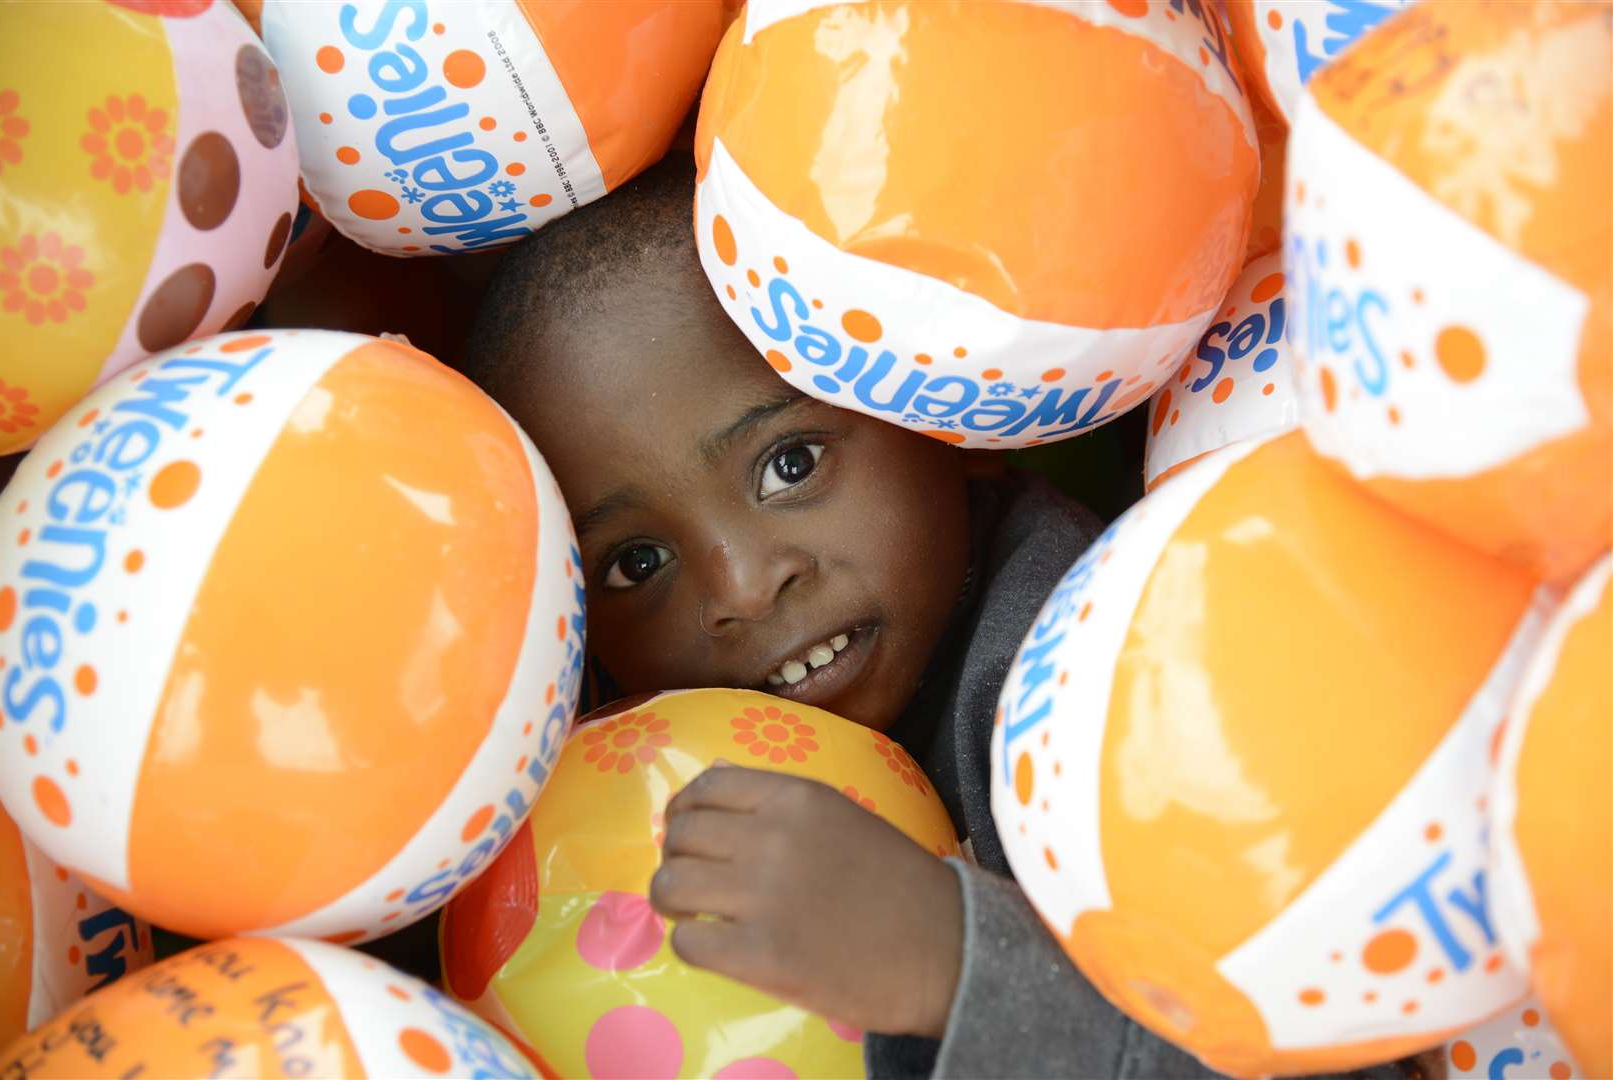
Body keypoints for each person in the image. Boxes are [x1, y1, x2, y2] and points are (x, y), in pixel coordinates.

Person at [462, 155, 1418, 1080]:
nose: (744, 587)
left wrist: (954, 966)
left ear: (948, 416)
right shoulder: (598, 800)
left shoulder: (1109, 693)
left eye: (789, 464)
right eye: (637, 563)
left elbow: (1339, 1062)